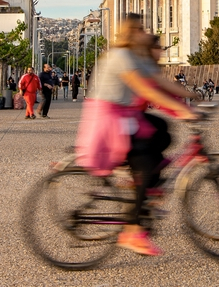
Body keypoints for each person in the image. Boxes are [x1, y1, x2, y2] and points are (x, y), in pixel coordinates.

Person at [76, 15, 199, 256]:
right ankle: (132, 231)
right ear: (131, 33)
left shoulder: (135, 57)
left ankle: (144, 186)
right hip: (110, 120)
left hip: (126, 117)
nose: (146, 32)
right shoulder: (121, 57)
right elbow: (146, 90)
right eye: (142, 29)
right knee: (147, 164)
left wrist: (194, 99)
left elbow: (159, 82)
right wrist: (184, 111)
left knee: (162, 132)